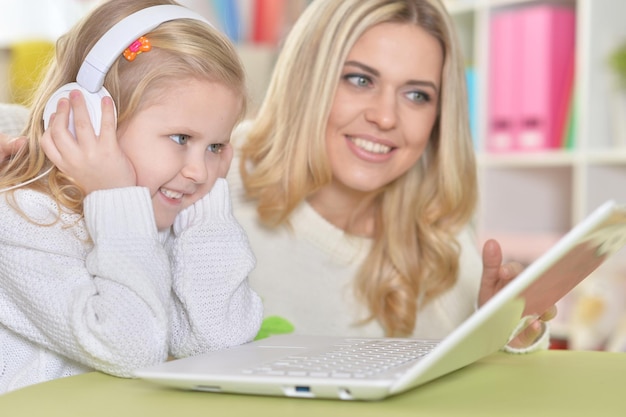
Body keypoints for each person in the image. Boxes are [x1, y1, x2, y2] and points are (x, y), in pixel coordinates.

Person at [1, 0, 553, 351]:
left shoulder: (443, 232)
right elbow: (81, 126)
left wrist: (494, 337)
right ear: (307, 80)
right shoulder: (208, 177)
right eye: (359, 80)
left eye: (417, 94)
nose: (387, 116)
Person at [0, 0, 262, 394]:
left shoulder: (164, 221)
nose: (199, 171)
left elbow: (219, 348)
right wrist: (117, 198)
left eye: (217, 146)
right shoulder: (23, 219)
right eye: (181, 138)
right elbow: (130, 349)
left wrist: (206, 216)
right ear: (81, 122)